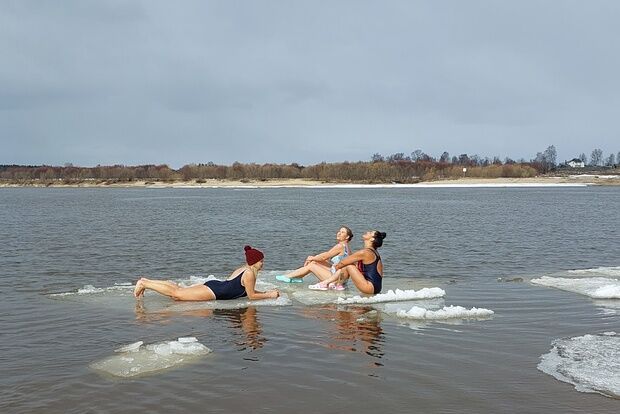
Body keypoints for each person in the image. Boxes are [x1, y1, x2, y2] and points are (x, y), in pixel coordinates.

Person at [133, 246, 279, 301]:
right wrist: (269, 295)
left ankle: (146, 281)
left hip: (215, 287)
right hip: (214, 292)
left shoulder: (244, 269)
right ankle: (144, 283)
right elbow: (251, 296)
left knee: (179, 290)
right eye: (261, 261)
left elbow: (249, 291)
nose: (263, 263)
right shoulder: (249, 274)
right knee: (176, 294)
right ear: (254, 262)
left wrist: (265, 291)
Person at [310, 230, 386, 294]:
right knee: (350, 265)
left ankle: (325, 283)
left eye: (370, 233)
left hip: (369, 287)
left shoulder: (365, 252)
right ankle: (338, 285)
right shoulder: (373, 252)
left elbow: (343, 262)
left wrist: (335, 268)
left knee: (348, 265)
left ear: (372, 239)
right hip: (376, 287)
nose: (367, 232)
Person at [275, 226, 353, 286]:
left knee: (312, 266)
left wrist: (312, 258)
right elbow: (326, 256)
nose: (339, 233)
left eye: (342, 232)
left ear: (347, 237)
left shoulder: (340, 246)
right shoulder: (346, 247)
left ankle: (288, 276)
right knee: (314, 262)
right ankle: (297, 278)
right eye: (339, 231)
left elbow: (325, 256)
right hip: (340, 277)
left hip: (337, 279)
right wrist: (314, 259)